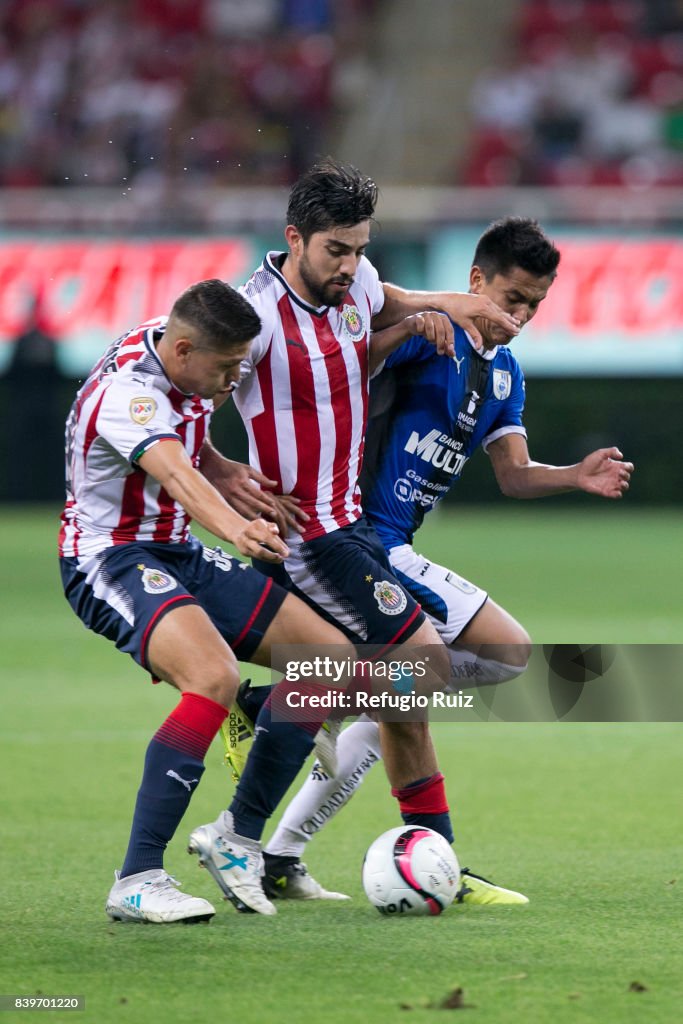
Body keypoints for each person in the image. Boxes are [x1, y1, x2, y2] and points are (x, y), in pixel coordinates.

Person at [223, 216, 633, 901]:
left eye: (534, 303)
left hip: (394, 548)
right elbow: (348, 366)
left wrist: (572, 476)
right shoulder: (433, 336)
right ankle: (280, 710)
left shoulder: (504, 373)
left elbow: (513, 473)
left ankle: (288, 846)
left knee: (402, 699)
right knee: (502, 654)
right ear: (475, 282)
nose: (521, 314)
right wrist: (414, 322)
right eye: (510, 296)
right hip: (362, 540)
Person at [213, 160, 531, 906]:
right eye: (335, 250)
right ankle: (267, 712)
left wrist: (445, 308)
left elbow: (388, 303)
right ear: (294, 238)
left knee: (405, 694)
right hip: (306, 538)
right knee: (420, 672)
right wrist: (224, 473)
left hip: (346, 528)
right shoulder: (251, 315)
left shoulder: (354, 285)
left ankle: (426, 866)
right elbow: (179, 394)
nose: (350, 266)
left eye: (359, 248)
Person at [59, 278, 365, 923]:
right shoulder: (131, 394)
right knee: (212, 675)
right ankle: (137, 879)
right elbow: (172, 471)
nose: (233, 382)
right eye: (226, 369)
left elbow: (187, 445)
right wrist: (238, 525)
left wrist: (220, 464)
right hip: (109, 556)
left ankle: (237, 838)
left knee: (328, 661)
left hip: (174, 549)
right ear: (184, 349)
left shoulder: (178, 348)